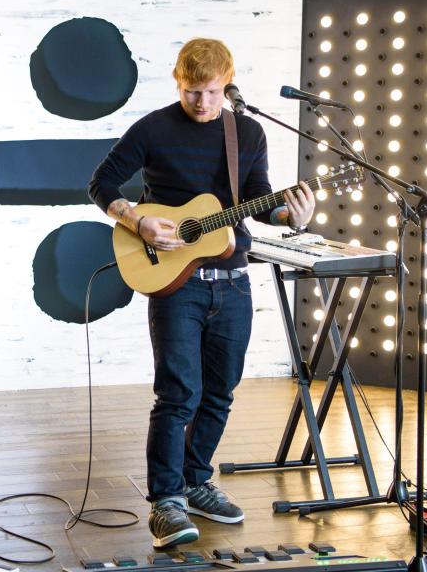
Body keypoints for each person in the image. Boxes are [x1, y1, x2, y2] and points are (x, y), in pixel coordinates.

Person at [88, 38, 314, 547]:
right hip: (175, 284)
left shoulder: (247, 132)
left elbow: (258, 200)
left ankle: (196, 480)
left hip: (233, 281)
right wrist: (137, 218)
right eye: (192, 92)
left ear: (227, 85)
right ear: (178, 83)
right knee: (177, 394)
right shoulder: (153, 128)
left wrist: (289, 215)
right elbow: (101, 183)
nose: (202, 103)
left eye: (211, 93)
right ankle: (166, 501)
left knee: (220, 393)